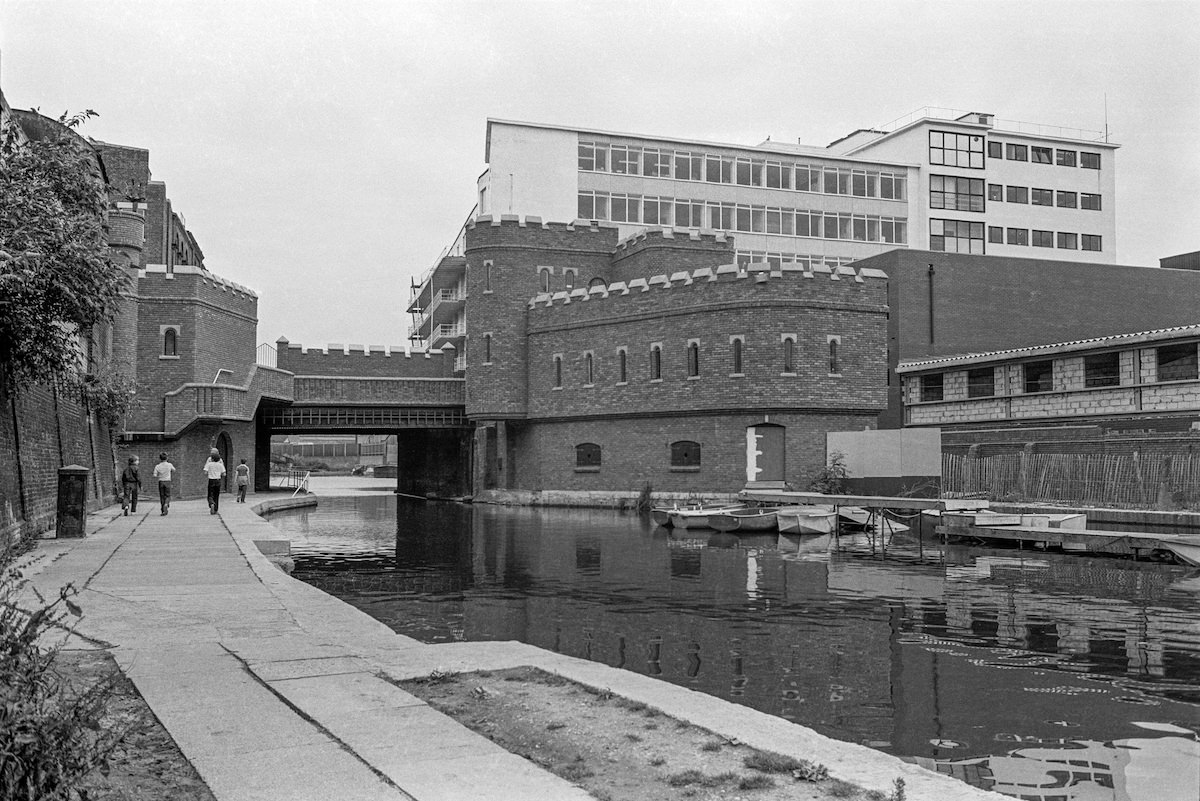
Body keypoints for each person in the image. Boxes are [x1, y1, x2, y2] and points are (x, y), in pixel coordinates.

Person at [203, 449, 226, 514]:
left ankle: (211, 503)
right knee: (216, 495)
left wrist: (209, 472)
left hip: (211, 480)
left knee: (210, 494)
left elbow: (205, 472)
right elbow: (224, 474)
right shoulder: (220, 464)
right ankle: (215, 509)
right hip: (218, 480)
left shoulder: (209, 463)